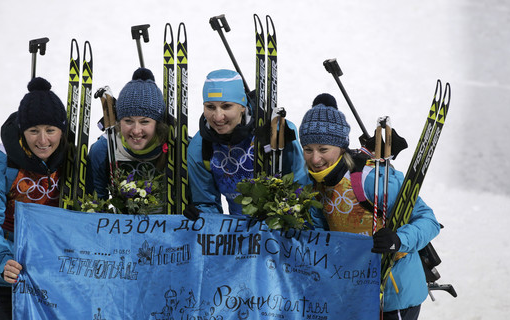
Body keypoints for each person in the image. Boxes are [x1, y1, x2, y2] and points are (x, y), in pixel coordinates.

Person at [298, 93, 441, 320]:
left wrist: (398, 239)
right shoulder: (314, 185)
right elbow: (320, 235)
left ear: (341, 147)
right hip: (352, 291)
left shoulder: (371, 180)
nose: (315, 159)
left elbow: (428, 220)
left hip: (395, 296)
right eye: (308, 149)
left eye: (323, 149)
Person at [0, 77, 68, 319]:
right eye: (34, 131)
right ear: (22, 131)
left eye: (51, 130)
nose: (43, 140)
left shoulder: (70, 156)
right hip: (9, 278)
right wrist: (3, 261)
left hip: (54, 275)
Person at [187, 69, 306, 215]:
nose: (218, 117)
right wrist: (201, 215)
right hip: (238, 233)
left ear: (242, 106)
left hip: (277, 228)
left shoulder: (276, 131)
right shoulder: (200, 146)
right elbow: (206, 202)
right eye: (210, 107)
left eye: (226, 106)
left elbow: (301, 185)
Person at [88, 67, 168, 202]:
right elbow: (96, 203)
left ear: (158, 124)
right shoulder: (103, 150)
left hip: (168, 222)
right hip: (122, 223)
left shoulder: (179, 147)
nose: (136, 130)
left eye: (145, 122)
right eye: (128, 121)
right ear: (119, 122)